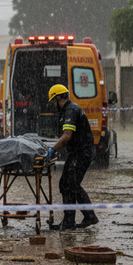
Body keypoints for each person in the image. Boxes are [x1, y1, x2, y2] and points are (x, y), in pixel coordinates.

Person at [46, 84, 98, 230]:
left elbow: (67, 135)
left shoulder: (70, 110)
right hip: (77, 152)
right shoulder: (69, 109)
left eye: (53, 101)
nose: (53, 105)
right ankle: (77, 219)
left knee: (71, 185)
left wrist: (53, 150)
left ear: (58, 98)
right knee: (66, 184)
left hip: (82, 153)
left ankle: (80, 219)